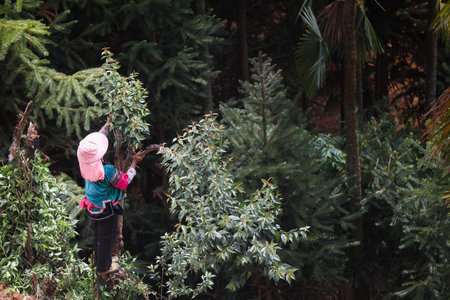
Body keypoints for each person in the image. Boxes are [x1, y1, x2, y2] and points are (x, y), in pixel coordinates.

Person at [77, 114, 145, 281]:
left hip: (92, 207)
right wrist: (134, 163)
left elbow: (98, 138)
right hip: (106, 210)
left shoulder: (84, 161)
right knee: (107, 236)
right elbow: (125, 181)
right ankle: (103, 268)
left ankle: (101, 262)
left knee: (99, 236)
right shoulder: (106, 172)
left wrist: (108, 123)